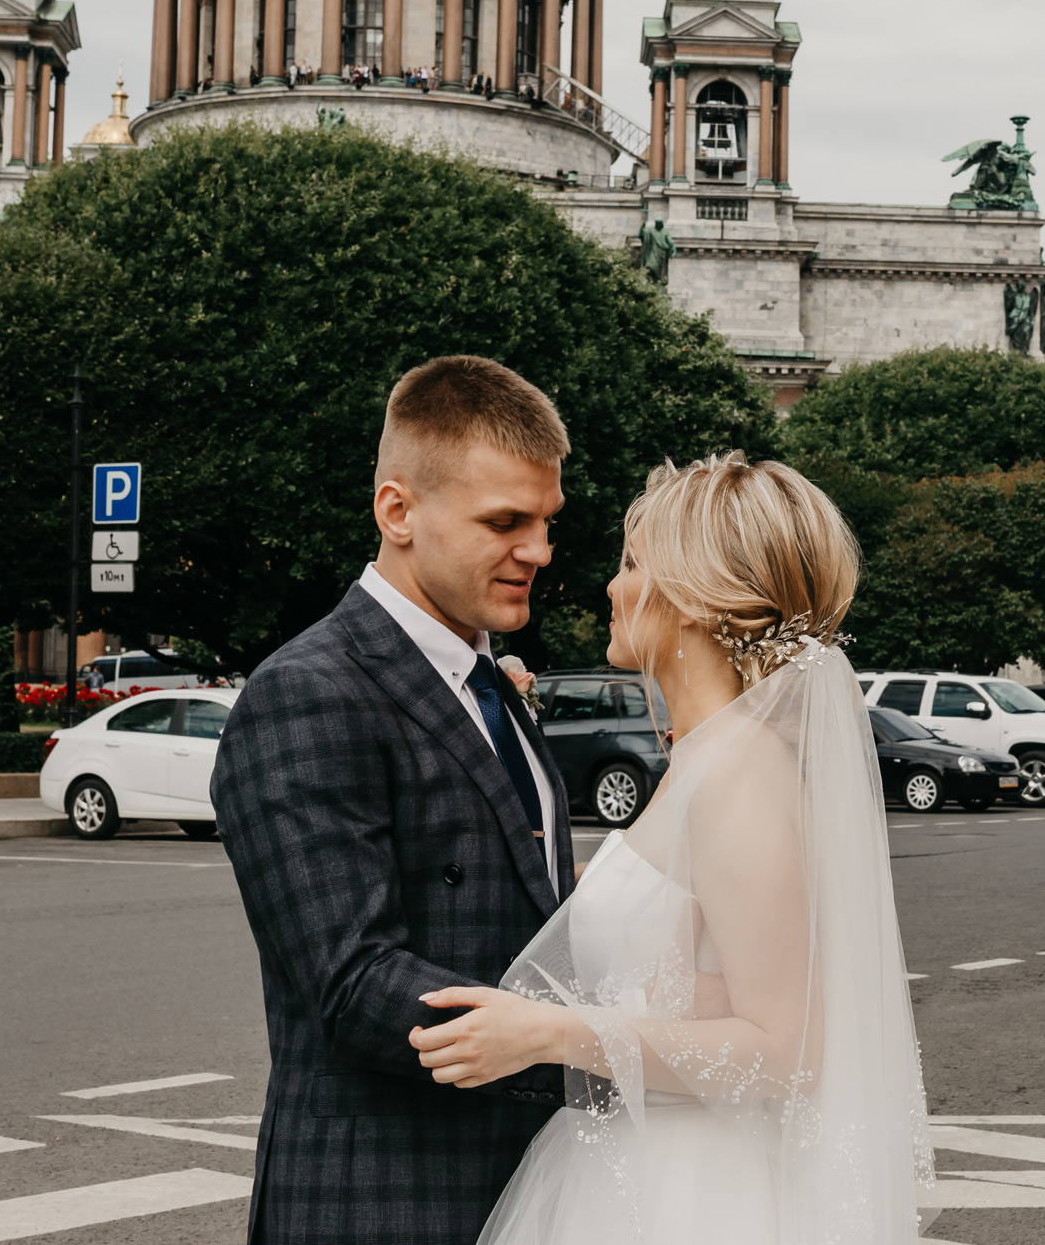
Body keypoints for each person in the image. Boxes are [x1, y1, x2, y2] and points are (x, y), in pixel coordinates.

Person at [408, 453, 934, 1245]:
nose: (612, 586)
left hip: (693, 1196)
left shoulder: (739, 774)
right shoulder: (705, 756)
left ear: (689, 595)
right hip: (634, 1163)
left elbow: (784, 1052)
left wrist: (549, 1032)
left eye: (631, 563)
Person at [212, 356, 577, 1245]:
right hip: (380, 1202)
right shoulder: (307, 690)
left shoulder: (491, 683)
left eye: (545, 521)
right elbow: (353, 981)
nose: (537, 550)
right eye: (504, 521)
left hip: (526, 1190)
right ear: (398, 511)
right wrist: (583, 1043)